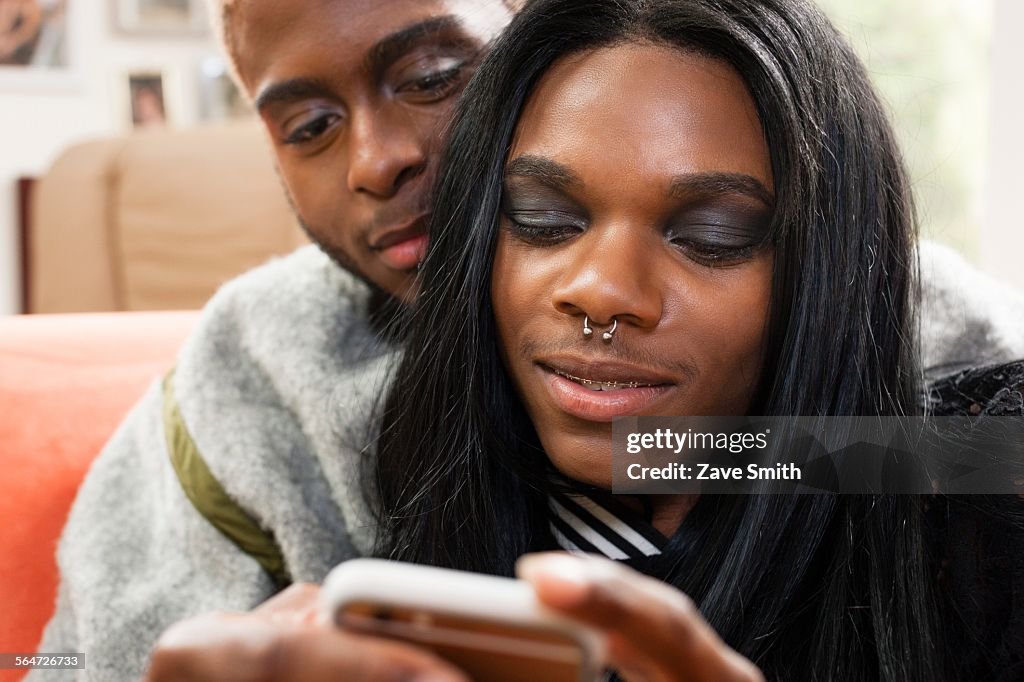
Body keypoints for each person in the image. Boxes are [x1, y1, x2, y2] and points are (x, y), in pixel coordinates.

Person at [35, 0, 1023, 679]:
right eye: (544, 218)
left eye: (711, 234)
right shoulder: (319, 406)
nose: (380, 162)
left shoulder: (936, 448)